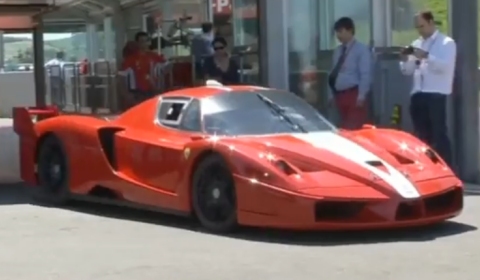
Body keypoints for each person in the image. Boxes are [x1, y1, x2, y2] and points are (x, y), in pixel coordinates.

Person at [399, 11, 456, 166]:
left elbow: (445, 67)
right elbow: (408, 71)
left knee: (439, 134)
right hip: (418, 93)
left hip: (436, 93)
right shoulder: (417, 43)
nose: (420, 31)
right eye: (417, 27)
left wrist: (426, 56)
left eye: (422, 26)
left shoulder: (446, 43)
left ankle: (447, 168)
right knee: (421, 136)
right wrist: (404, 60)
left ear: (431, 22)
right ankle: (426, 167)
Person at [328, 17, 372, 129]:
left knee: (353, 127)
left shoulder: (361, 50)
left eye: (341, 31)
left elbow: (365, 74)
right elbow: (333, 72)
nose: (338, 35)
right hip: (339, 94)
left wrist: (361, 96)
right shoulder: (337, 51)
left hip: (353, 93)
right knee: (340, 128)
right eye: (337, 32)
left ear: (350, 30)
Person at [118, 32, 167, 107]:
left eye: (146, 41)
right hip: (137, 93)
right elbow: (121, 77)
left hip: (153, 91)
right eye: (142, 41)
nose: (144, 44)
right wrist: (126, 94)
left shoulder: (155, 57)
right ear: (137, 43)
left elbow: (165, 68)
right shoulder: (130, 59)